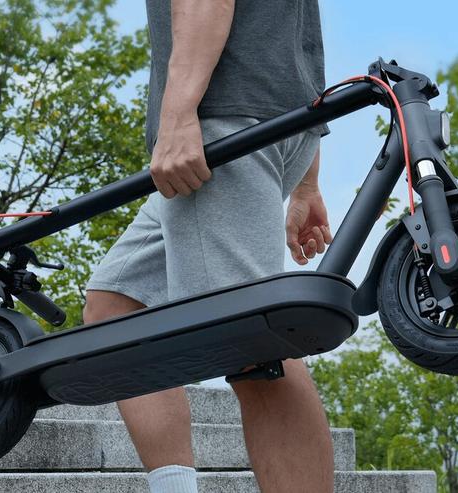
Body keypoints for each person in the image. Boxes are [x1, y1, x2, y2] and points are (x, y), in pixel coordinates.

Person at [83, 1, 334, 491]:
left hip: (220, 122)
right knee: (118, 306)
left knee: (252, 342)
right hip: (275, 118)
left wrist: (178, 115)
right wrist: (307, 180)